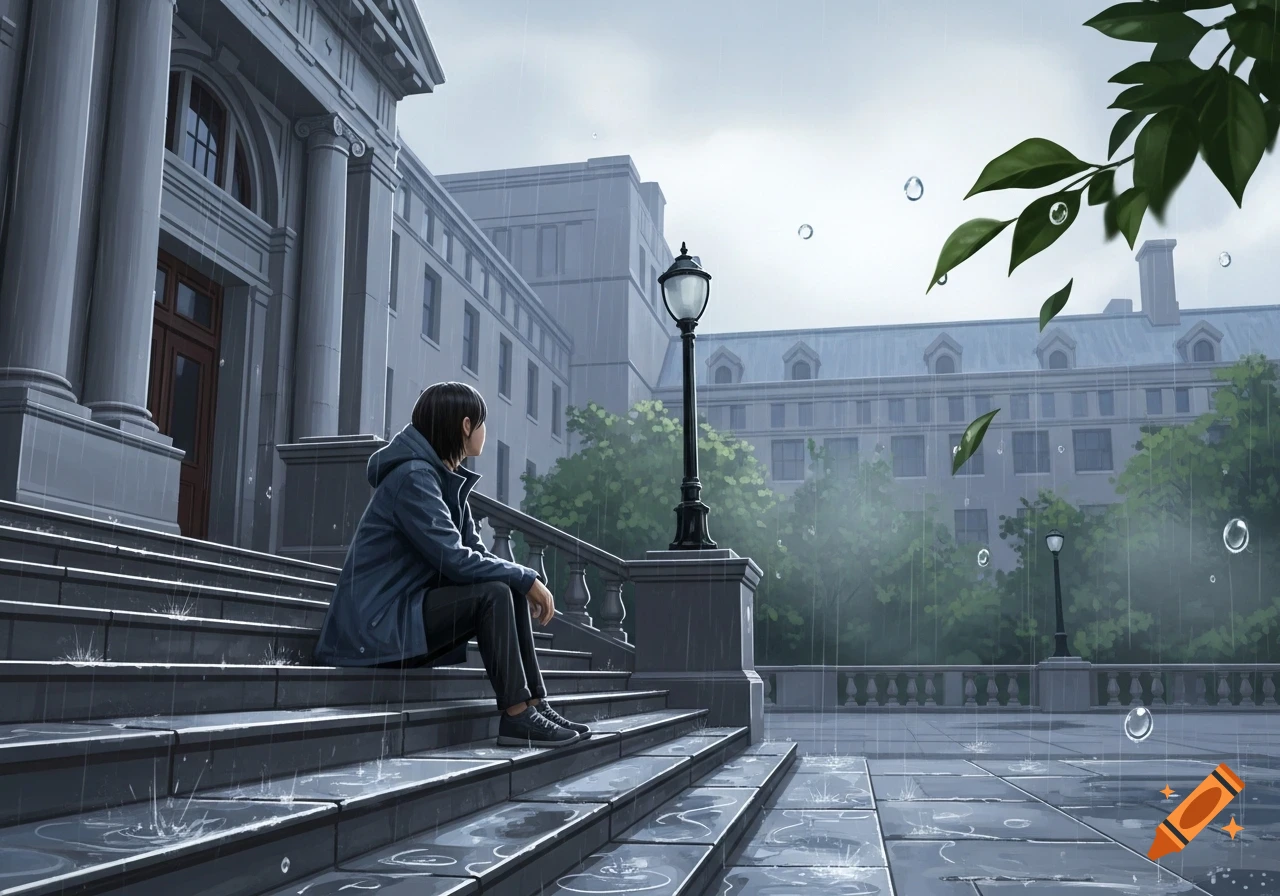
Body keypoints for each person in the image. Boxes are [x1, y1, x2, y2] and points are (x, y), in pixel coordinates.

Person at [313, 381, 591, 747]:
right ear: (465, 425)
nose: (485, 432)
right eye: (482, 423)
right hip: (372, 627)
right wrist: (525, 577)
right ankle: (517, 716)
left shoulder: (440, 479)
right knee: (496, 591)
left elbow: (476, 555)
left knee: (504, 584)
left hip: (403, 614)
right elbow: (455, 561)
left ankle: (534, 704)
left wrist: (521, 580)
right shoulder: (414, 477)